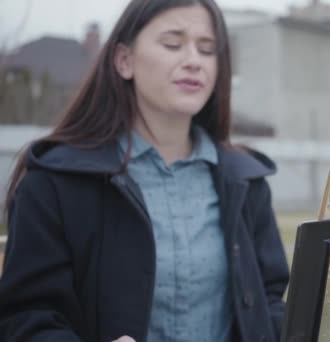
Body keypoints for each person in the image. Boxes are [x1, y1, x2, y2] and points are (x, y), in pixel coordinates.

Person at [0, 0, 289, 341]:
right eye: (172, 44)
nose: (194, 61)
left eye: (207, 49)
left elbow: (270, 302)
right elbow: (25, 316)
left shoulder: (246, 181)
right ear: (124, 61)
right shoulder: (56, 180)